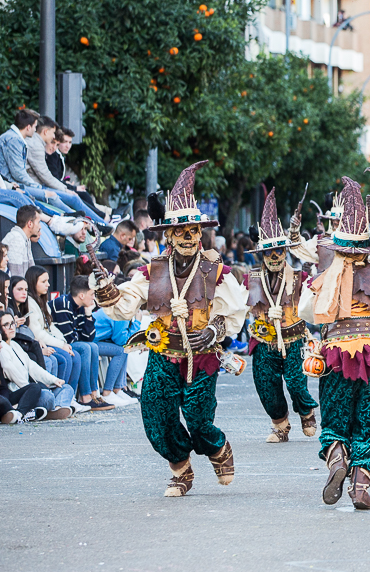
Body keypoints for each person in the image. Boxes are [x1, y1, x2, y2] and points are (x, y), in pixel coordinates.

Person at [91, 161, 248, 498]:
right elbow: (126, 303)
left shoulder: (214, 270)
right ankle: (180, 468)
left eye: (194, 231)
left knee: (197, 417)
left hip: (202, 355)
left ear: (200, 233)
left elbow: (233, 309)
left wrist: (215, 330)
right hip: (164, 353)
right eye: (181, 232)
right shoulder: (152, 271)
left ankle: (217, 446)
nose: (189, 237)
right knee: (155, 413)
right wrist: (106, 289)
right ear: (169, 236)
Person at [298, 175, 370, 509]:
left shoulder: (323, 278)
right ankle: (360, 484)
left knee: (335, 417)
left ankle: (336, 461)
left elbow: (307, 312)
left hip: (334, 354)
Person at [243, 188, 318, 443]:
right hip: (264, 341)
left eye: (279, 252)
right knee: (266, 385)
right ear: (262, 255)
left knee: (297, 383)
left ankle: (306, 411)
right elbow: (237, 306)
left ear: (285, 252)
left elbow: (313, 304)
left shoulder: (300, 278)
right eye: (269, 253)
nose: (274, 257)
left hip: (294, 339)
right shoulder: (250, 280)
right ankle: (280, 425)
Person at [25, 266, 112, 411]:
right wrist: (63, 344)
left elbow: (87, 337)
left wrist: (89, 314)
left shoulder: (43, 301)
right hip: (43, 344)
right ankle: (80, 397)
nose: (48, 284)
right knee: (81, 350)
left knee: (91, 346)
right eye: (44, 281)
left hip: (57, 341)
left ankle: (91, 395)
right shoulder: (62, 304)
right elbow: (45, 333)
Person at [1, 310, 74, 419]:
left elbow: (32, 366)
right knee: (47, 396)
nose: (11, 327)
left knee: (67, 388)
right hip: (19, 392)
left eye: (12, 323)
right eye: (6, 325)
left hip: (31, 387)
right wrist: (28, 389)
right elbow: (10, 370)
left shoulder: (15, 345)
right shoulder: (2, 348)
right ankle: (43, 410)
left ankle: (56, 408)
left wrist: (53, 380)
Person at [2, 204, 86, 278]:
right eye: (38, 222)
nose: (40, 227)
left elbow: (31, 272)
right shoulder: (16, 239)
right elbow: (15, 279)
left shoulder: (24, 239)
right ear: (30, 224)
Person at [92, 307, 138, 403]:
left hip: (96, 340)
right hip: (90, 342)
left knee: (124, 349)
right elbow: (121, 340)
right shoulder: (122, 311)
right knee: (121, 350)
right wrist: (137, 322)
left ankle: (118, 389)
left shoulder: (119, 308)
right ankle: (108, 392)